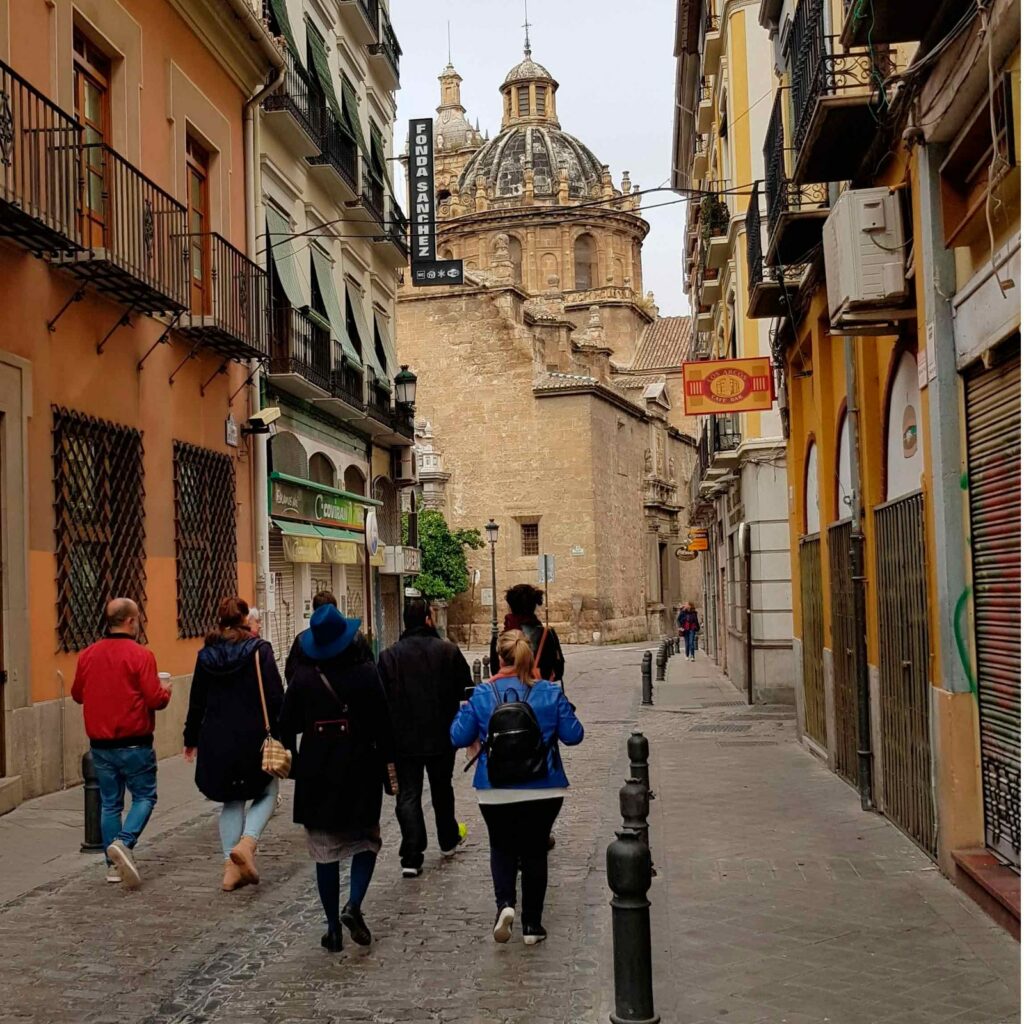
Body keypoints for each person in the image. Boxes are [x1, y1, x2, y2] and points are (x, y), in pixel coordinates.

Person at [452, 630, 584, 946]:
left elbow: (457, 737)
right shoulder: (549, 692)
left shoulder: (483, 695)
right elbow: (574, 734)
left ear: (499, 658)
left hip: (494, 787)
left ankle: (505, 905)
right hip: (544, 785)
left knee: (501, 846)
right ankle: (532, 925)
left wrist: (465, 709)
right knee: (536, 850)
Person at [278, 604, 397, 952]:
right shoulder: (365, 672)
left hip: (317, 770)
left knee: (324, 850)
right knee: (366, 840)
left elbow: (285, 725)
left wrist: (296, 763)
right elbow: (383, 723)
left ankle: (332, 928)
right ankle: (354, 904)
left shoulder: (302, 678)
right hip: (360, 766)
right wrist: (390, 767)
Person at [183, 597, 284, 892]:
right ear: (244, 620)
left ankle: (230, 865)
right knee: (268, 789)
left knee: (231, 799)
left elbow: (196, 701)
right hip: (253, 737)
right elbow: (275, 696)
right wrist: (281, 734)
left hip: (216, 739)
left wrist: (190, 739)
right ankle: (248, 842)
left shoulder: (206, 656)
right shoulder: (259, 651)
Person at [71, 598, 171, 888]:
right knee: (144, 797)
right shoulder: (141, 655)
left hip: (100, 744)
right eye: (138, 619)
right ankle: (124, 844)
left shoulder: (87, 655)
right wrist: (166, 692)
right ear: (130, 621)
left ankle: (113, 866)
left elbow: (78, 694)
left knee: (110, 804)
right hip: (134, 742)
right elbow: (155, 699)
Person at [377, 597, 472, 878]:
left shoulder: (389, 657)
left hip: (403, 739)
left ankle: (411, 855)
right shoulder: (448, 652)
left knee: (408, 795)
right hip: (442, 736)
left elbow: (381, 701)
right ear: (428, 620)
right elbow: (466, 690)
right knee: (443, 789)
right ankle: (447, 839)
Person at [489, 583, 565, 684]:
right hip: (540, 693)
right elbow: (558, 670)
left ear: (510, 607)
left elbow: (495, 670)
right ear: (533, 607)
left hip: (507, 694)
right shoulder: (547, 634)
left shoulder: (499, 638)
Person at [284, 590, 337, 683]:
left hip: (310, 694)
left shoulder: (302, 640)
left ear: (314, 611)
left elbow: (291, 673)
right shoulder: (350, 637)